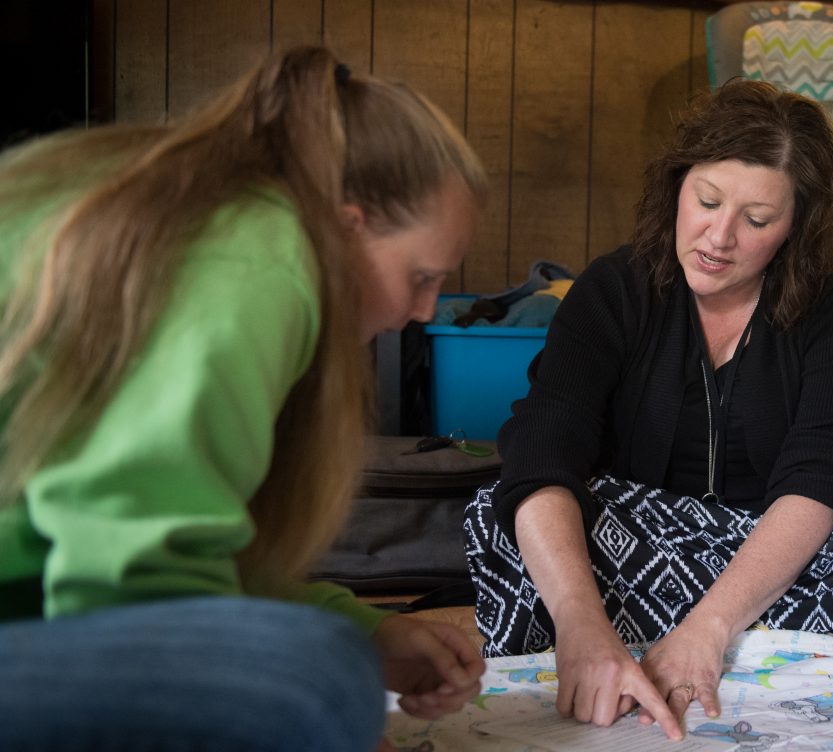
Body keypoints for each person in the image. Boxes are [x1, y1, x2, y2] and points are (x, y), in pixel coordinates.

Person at [465, 79, 833, 741]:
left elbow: (822, 471)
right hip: (645, 538)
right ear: (677, 186)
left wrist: (709, 628)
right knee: (506, 512)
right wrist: (579, 622)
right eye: (707, 201)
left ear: (797, 226)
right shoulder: (614, 288)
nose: (719, 236)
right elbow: (545, 445)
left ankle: (696, 637)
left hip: (782, 547)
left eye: (756, 220)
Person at [0, 46, 489, 751]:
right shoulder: (259, 257)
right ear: (348, 227)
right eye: (421, 275)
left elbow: (201, 565)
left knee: (325, 653)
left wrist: (368, 629)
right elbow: (136, 588)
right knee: (318, 678)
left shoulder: (222, 228)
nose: (425, 310)